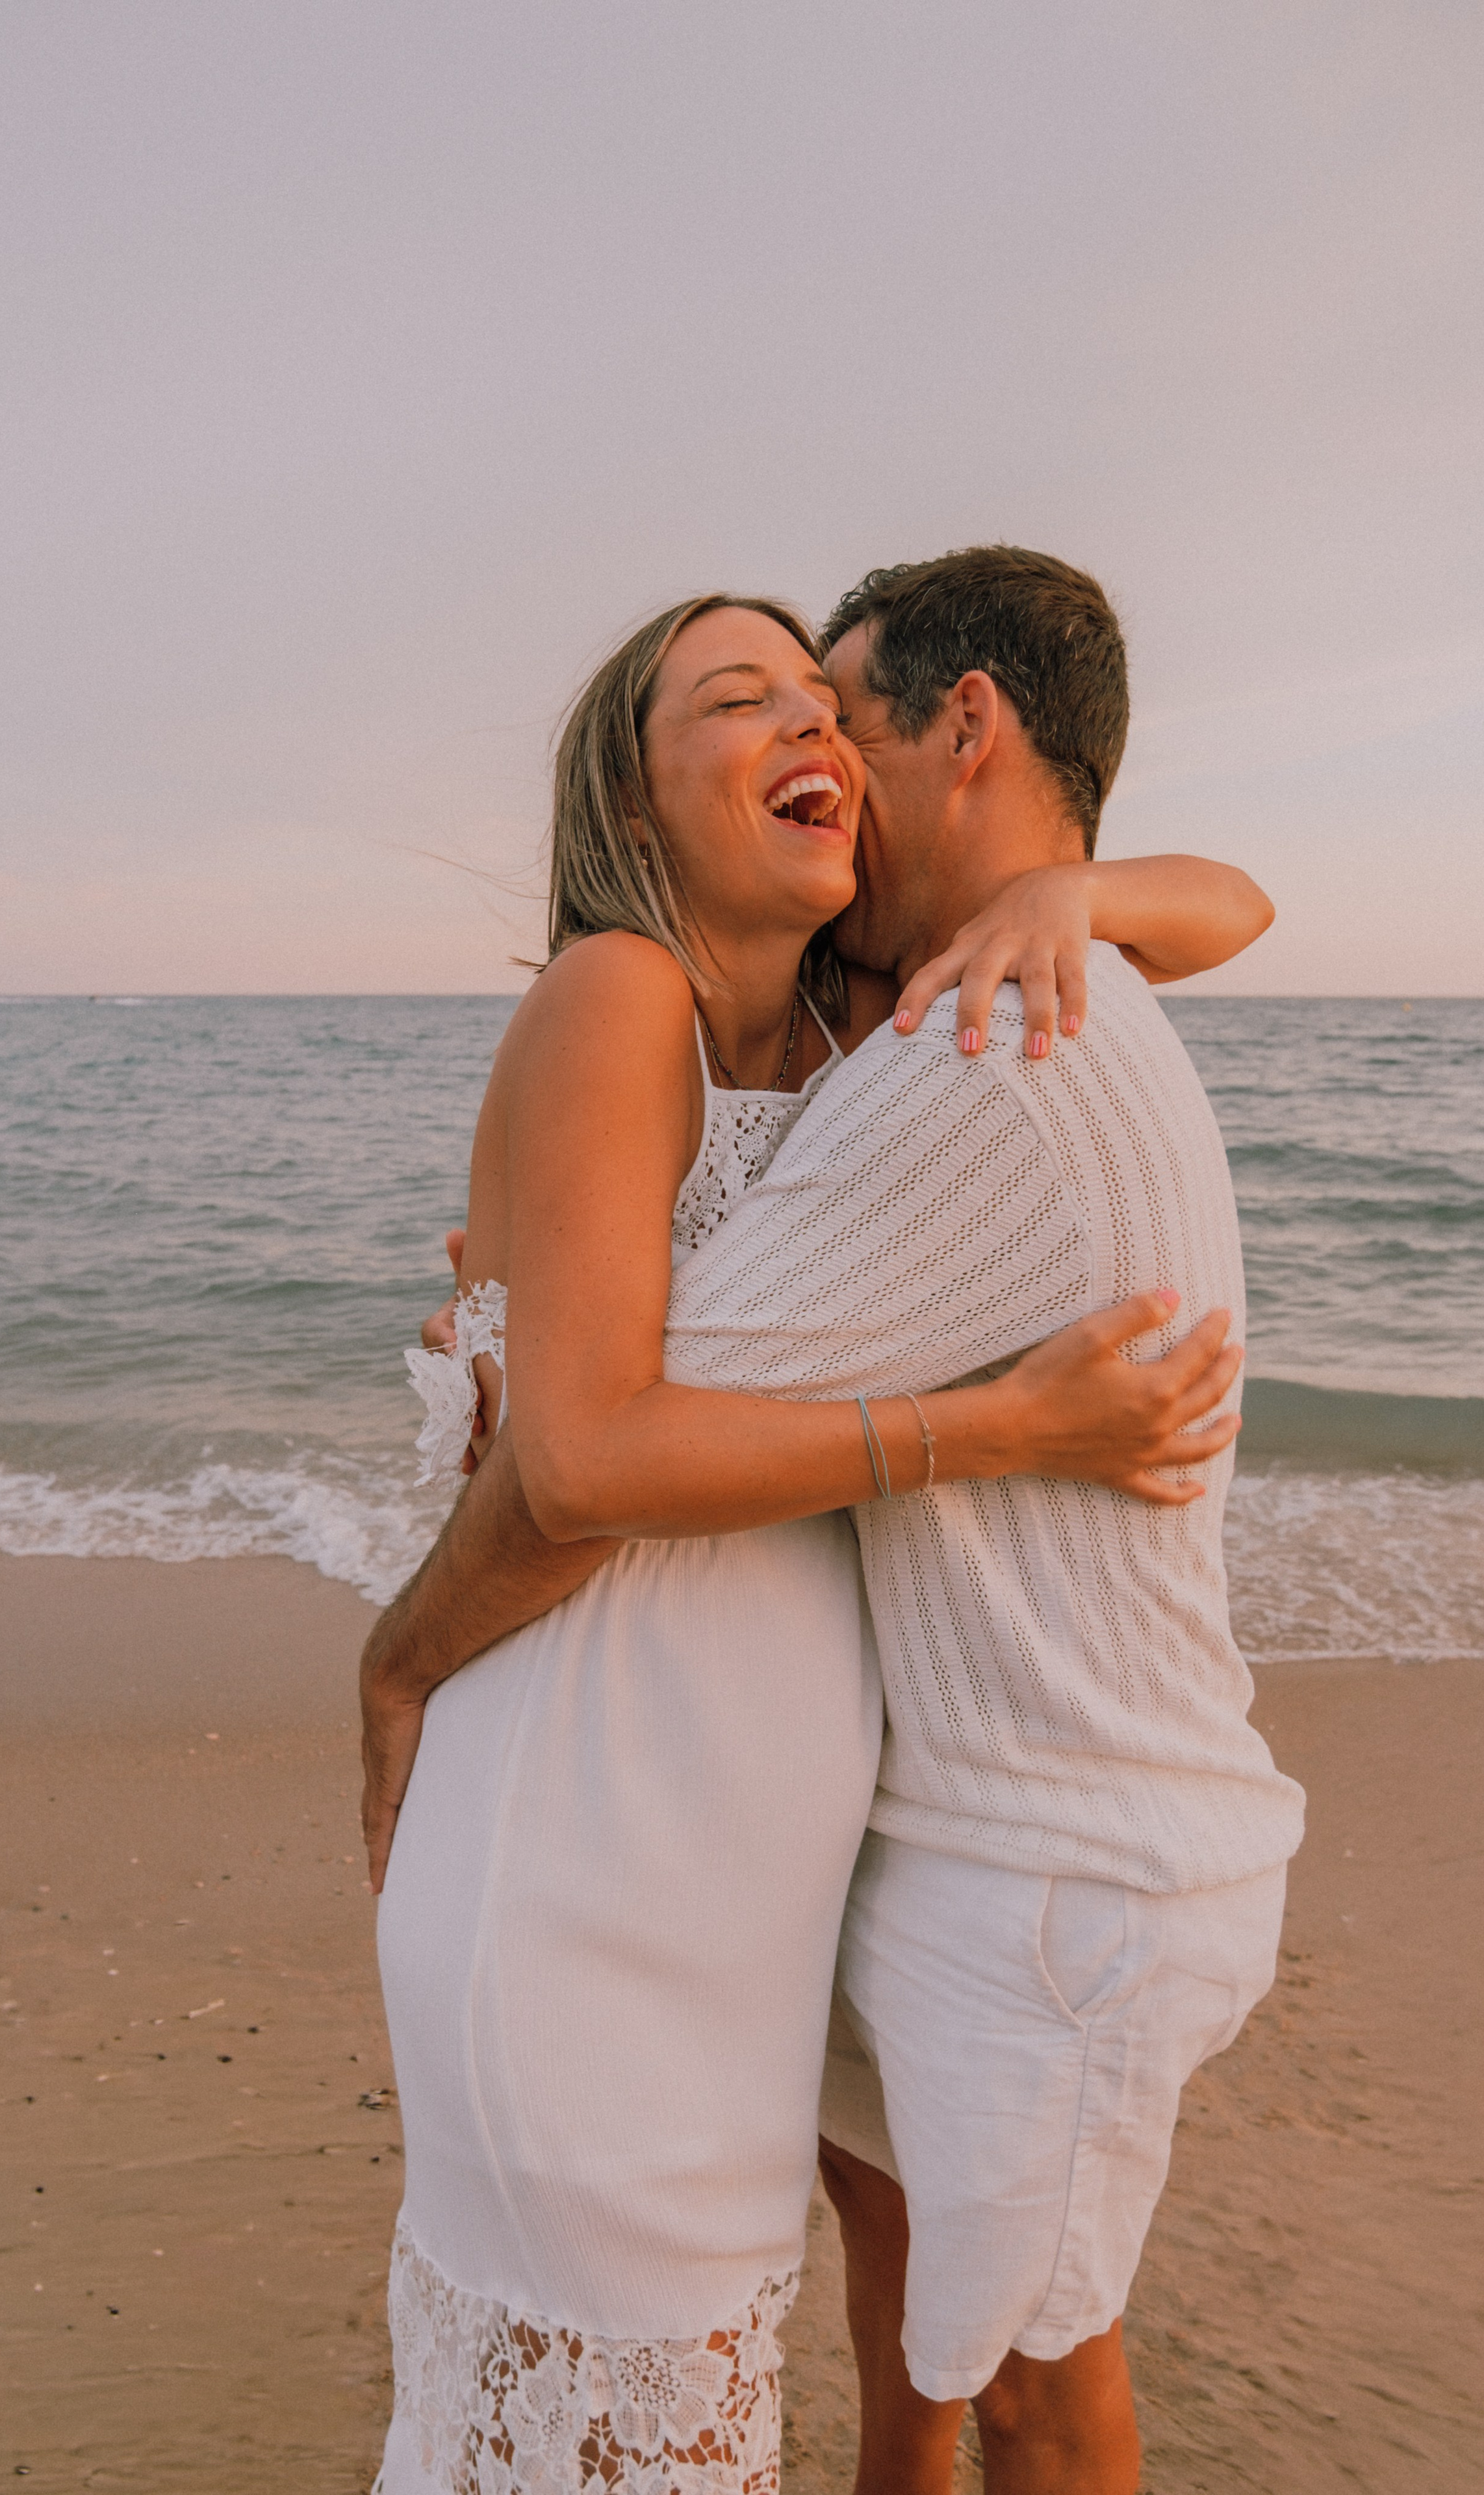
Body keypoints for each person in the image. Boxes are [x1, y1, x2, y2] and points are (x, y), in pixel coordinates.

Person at [366, 563, 1281, 2495]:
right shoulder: (670, 1006)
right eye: (744, 704)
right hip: (622, 1847)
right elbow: (590, 1457)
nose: (807, 736)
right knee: (668, 2406)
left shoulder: (886, 1033)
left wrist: (1078, 894)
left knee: (754, 2382)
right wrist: (398, 1658)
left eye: (826, 706)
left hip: (808, 1872)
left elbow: (1233, 905)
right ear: (631, 806)